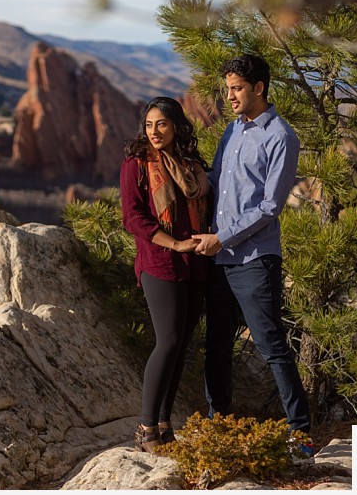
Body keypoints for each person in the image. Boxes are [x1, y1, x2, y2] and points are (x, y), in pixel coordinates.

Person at [193, 54, 313, 453]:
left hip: (254, 259)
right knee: (217, 345)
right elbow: (216, 179)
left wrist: (221, 238)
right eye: (227, 89)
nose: (229, 96)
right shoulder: (232, 131)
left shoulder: (281, 136)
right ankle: (217, 426)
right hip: (220, 258)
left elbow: (269, 207)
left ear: (258, 88)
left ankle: (301, 433)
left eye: (236, 89)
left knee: (271, 345)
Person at [120, 96, 214, 453]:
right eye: (148, 124)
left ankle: (163, 424)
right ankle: (145, 429)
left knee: (180, 346)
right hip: (161, 262)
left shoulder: (190, 164)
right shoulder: (137, 163)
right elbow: (133, 217)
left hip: (196, 264)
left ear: (175, 125)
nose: (154, 131)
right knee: (169, 341)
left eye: (161, 124)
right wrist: (174, 245)